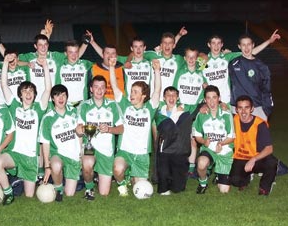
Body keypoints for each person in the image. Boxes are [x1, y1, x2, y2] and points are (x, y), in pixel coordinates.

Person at [0, 55, 51, 205]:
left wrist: (44, 66)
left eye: (31, 91)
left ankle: (18, 180)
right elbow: (4, 85)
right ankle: (8, 192)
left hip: (30, 158)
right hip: (14, 153)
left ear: (34, 95)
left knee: (29, 196)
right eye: (25, 91)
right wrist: (5, 62)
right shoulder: (14, 107)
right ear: (20, 94)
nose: (28, 93)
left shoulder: (39, 109)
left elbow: (48, 89)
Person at [108, 57, 161, 196]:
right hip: (125, 151)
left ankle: (132, 177)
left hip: (142, 154)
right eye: (132, 91)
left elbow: (157, 90)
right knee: (117, 169)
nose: (132, 94)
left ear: (143, 96)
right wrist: (112, 68)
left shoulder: (150, 108)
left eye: (136, 92)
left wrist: (157, 71)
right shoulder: (125, 106)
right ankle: (122, 184)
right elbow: (114, 87)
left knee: (140, 187)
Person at [77, 75, 124, 199]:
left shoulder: (112, 105)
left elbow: (121, 129)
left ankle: (98, 176)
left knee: (104, 193)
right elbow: (79, 129)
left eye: (102, 87)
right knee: (87, 163)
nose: (99, 90)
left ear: (105, 89)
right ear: (91, 89)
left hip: (106, 151)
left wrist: (109, 129)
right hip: (90, 146)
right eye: (96, 87)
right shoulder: (84, 105)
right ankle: (89, 188)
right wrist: (81, 129)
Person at [202, 30, 280, 105]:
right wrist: (200, 54)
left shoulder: (227, 57)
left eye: (219, 43)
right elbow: (194, 69)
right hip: (210, 101)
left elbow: (250, 52)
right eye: (213, 43)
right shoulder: (203, 61)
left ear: (222, 45)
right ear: (209, 45)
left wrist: (269, 41)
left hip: (226, 101)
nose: (216, 46)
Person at [155, 86, 202, 195]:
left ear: (177, 98)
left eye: (174, 95)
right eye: (168, 95)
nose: (171, 98)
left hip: (179, 151)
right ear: (164, 98)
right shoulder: (159, 113)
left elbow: (199, 105)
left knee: (178, 188)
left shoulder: (185, 112)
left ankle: (175, 179)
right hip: (165, 151)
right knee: (164, 188)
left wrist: (203, 107)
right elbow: (166, 127)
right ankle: (165, 181)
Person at [40, 84, 82, 201]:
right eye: (57, 95)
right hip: (57, 154)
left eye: (63, 95)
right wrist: (47, 165)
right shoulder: (48, 118)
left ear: (67, 97)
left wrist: (80, 152)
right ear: (52, 98)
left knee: (70, 194)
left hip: (73, 156)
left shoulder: (74, 112)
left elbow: (80, 134)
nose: (61, 98)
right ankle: (58, 188)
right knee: (56, 165)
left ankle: (64, 182)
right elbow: (45, 142)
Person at [229, 95, 278, 196]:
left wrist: (253, 159)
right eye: (240, 108)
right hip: (240, 157)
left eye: (246, 107)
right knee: (234, 181)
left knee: (272, 162)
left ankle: (265, 187)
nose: (243, 112)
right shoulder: (232, 120)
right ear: (236, 109)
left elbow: (269, 149)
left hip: (257, 158)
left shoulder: (260, 124)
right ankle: (246, 179)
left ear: (252, 109)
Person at [192, 85, 235, 194]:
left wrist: (221, 143)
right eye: (208, 98)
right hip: (209, 149)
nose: (212, 101)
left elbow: (231, 137)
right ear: (205, 100)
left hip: (224, 150)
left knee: (224, 191)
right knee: (201, 163)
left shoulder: (226, 114)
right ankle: (203, 183)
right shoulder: (201, 114)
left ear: (219, 98)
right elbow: (197, 136)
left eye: (214, 97)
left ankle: (218, 173)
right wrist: (203, 142)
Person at [173, 47, 207, 176]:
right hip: (182, 109)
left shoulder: (201, 72)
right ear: (185, 58)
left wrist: (205, 87)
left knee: (193, 139)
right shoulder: (180, 72)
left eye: (194, 57)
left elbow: (206, 89)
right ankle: (180, 165)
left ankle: (191, 168)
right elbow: (175, 90)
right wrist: (177, 105)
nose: (191, 59)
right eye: (189, 57)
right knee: (181, 139)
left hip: (196, 110)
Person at [229, 34, 277, 121]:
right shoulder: (233, 63)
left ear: (253, 45)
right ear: (239, 46)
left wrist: (266, 109)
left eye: (249, 44)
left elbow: (267, 89)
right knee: (238, 135)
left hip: (257, 108)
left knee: (259, 134)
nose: (246, 48)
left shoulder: (262, 66)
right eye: (243, 45)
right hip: (238, 109)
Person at [55, 40, 93, 106]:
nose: (74, 56)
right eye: (70, 52)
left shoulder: (86, 64)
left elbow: (105, 62)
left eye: (76, 52)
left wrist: (90, 42)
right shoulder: (59, 65)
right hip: (64, 104)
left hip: (82, 104)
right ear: (66, 53)